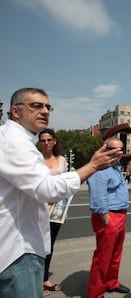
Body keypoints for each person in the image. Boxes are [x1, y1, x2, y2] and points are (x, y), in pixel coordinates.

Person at [0, 88, 122, 298]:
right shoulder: (14, 142)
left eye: (48, 107)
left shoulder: (16, 139)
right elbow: (47, 188)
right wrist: (92, 165)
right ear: (16, 111)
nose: (45, 111)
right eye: (36, 106)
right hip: (19, 249)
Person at [87, 137, 131, 298]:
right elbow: (98, 196)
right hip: (108, 215)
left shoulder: (116, 167)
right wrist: (107, 219)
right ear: (105, 149)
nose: (118, 152)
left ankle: (111, 282)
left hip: (119, 214)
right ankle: (96, 293)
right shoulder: (100, 168)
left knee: (115, 253)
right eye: (113, 148)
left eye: (121, 149)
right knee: (103, 257)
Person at [38, 128, 67, 296]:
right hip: (39, 208)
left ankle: (44, 278)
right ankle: (36, 281)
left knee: (49, 245)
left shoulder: (62, 160)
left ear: (55, 141)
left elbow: (63, 184)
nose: (46, 143)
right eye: (43, 140)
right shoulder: (35, 160)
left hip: (57, 209)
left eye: (49, 140)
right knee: (37, 245)